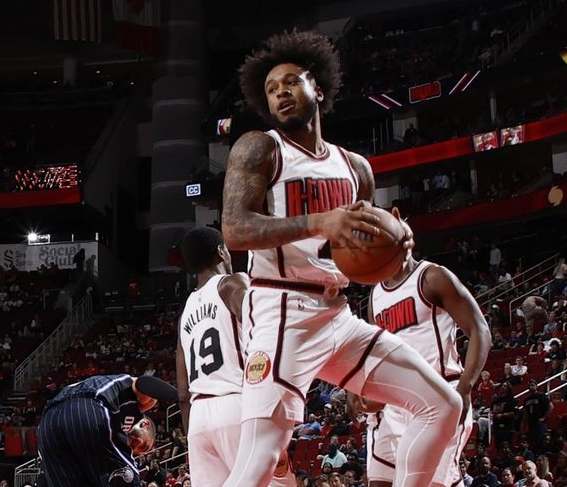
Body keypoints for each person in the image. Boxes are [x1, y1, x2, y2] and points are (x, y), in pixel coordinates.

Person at [219, 30, 463, 487]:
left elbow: (361, 255)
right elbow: (234, 230)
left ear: (319, 88)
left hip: (338, 313)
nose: (281, 94)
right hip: (282, 311)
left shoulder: (356, 169)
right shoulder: (261, 148)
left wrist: (398, 249)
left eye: (291, 82)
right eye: (271, 90)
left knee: (443, 405)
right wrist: (320, 221)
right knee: (258, 462)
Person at [360, 249, 491, 487]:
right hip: (397, 405)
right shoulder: (375, 295)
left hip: (438, 395)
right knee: (379, 482)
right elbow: (374, 351)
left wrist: (464, 388)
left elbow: (480, 330)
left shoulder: (432, 277)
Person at [175, 227, 295, 486]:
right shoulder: (231, 283)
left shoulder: (185, 313)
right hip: (237, 404)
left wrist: (192, 437)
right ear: (221, 253)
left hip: (198, 419)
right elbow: (261, 324)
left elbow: (182, 393)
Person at [37, 374, 176, 487]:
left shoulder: (115, 419)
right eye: (142, 445)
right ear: (144, 425)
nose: (133, 449)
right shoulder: (143, 404)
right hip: (86, 405)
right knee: (125, 479)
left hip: (47, 423)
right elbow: (144, 382)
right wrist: (181, 395)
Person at [521, 380, 552, 450]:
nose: (530, 387)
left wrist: (544, 417)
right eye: (529, 385)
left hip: (539, 424)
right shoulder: (526, 399)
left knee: (541, 444)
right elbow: (525, 413)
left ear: (536, 386)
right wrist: (523, 426)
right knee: (532, 445)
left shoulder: (541, 396)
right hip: (531, 424)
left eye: (532, 385)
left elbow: (551, 406)